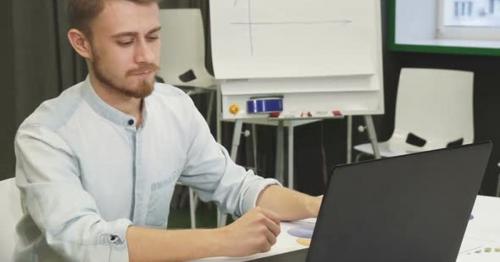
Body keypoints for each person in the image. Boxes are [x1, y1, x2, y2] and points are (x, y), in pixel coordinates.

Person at [14, 0, 322, 261]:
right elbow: (86, 242)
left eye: (153, 37)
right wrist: (224, 239)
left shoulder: (174, 107)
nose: (145, 56)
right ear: (82, 43)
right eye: (125, 41)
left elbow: (236, 185)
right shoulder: (45, 134)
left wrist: (315, 206)